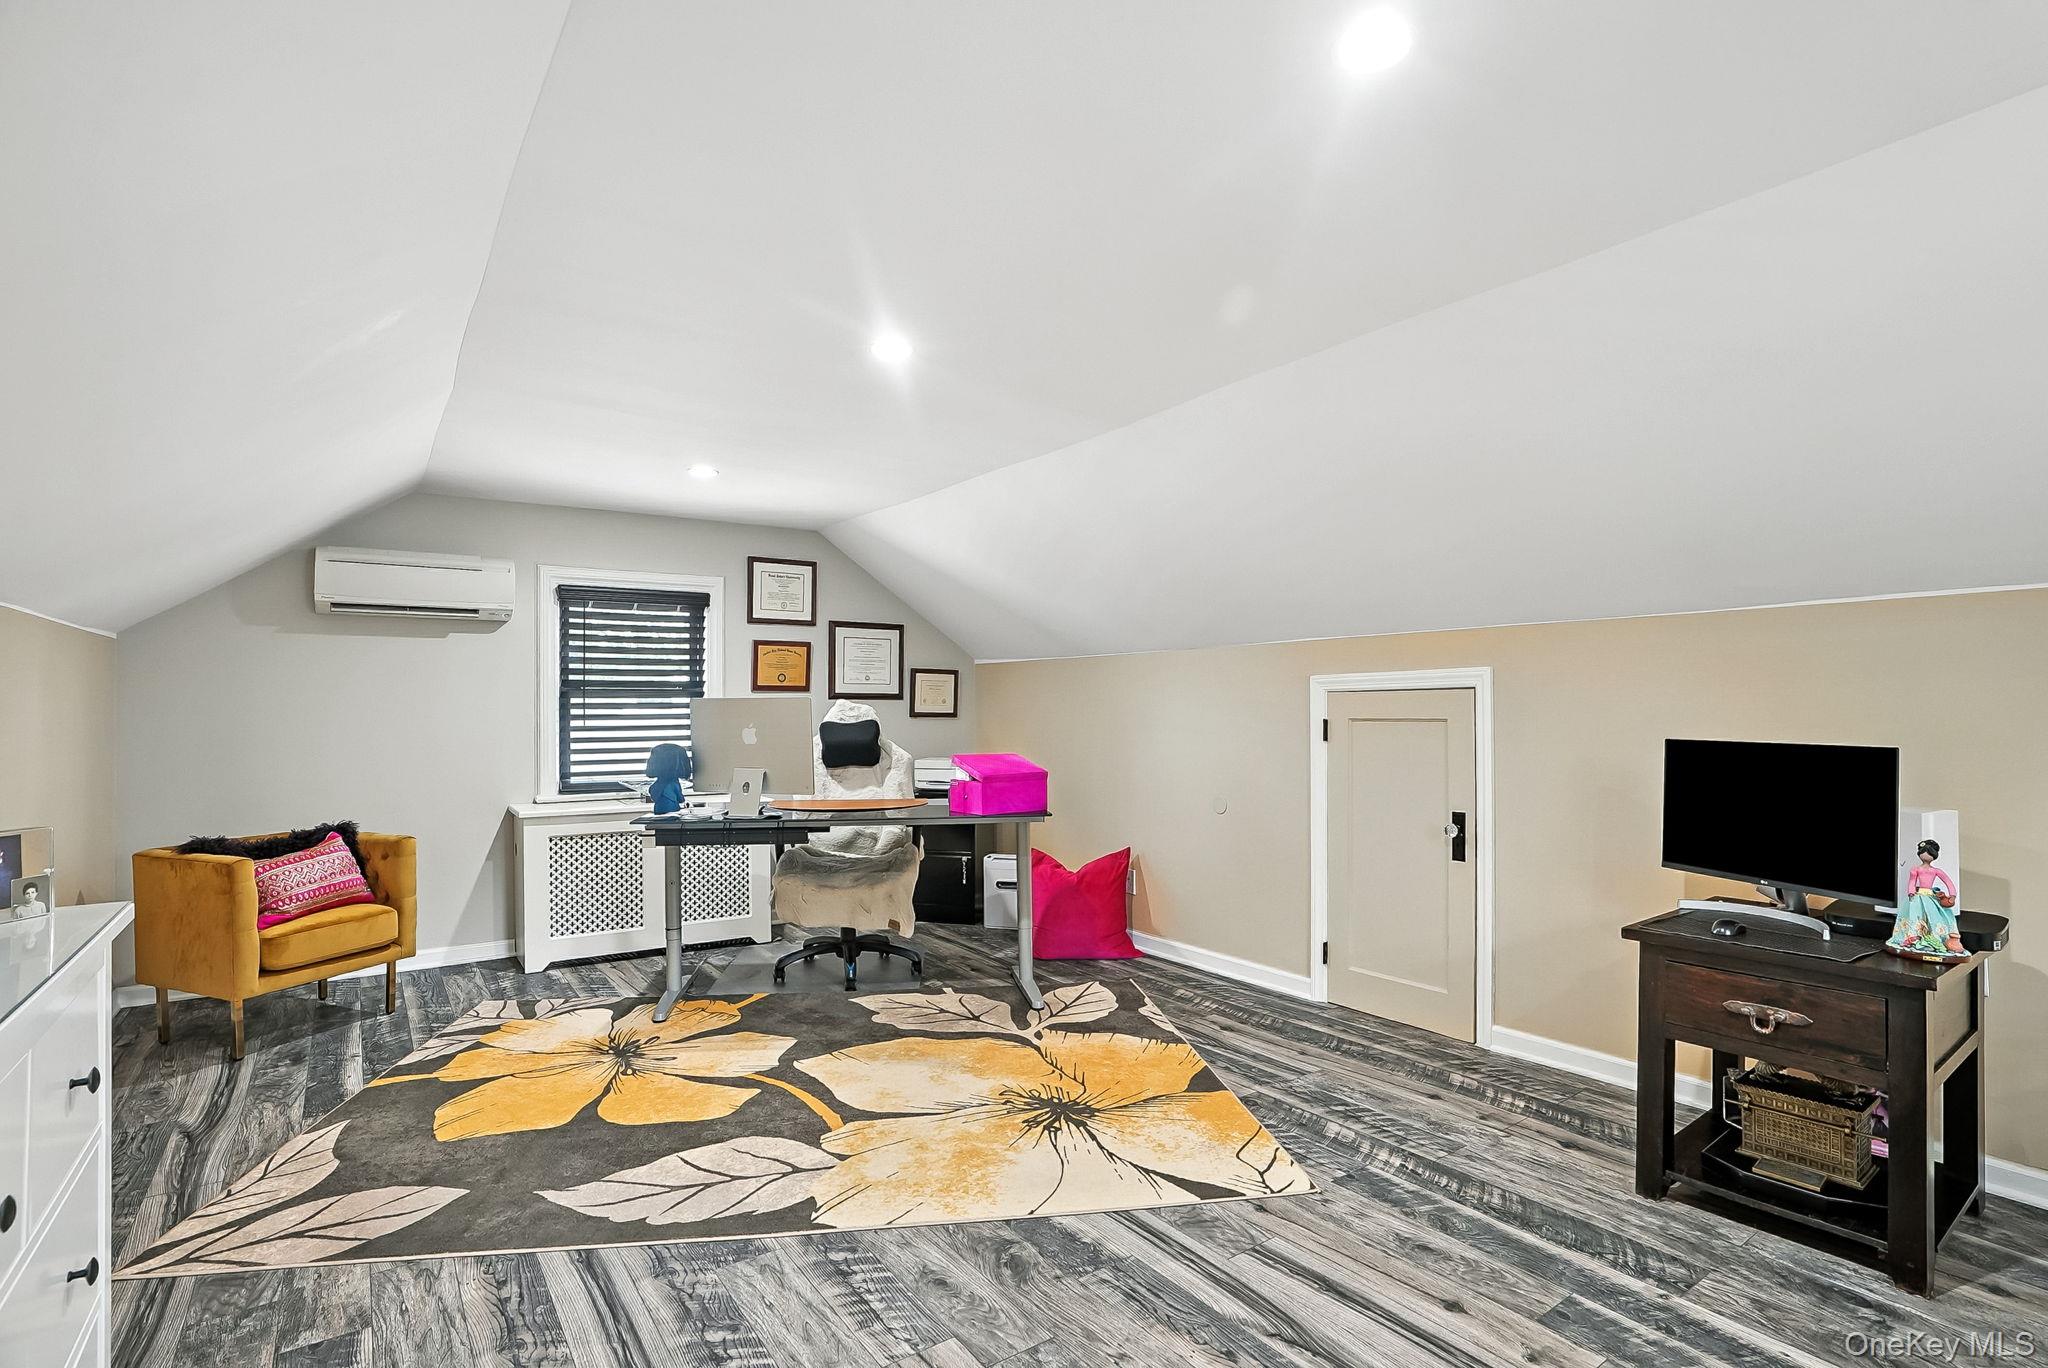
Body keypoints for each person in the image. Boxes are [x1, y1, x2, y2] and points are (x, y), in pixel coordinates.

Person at [1886, 839, 1965, 960]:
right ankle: (1914, 937)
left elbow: (1948, 882)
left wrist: (1952, 895)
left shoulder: (1936, 871)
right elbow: (1912, 881)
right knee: (1916, 915)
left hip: (1930, 896)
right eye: (1923, 853)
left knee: (1933, 916)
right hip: (1918, 896)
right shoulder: (1916, 869)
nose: (1925, 856)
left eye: (1929, 853)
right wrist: (1911, 891)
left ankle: (1935, 938)